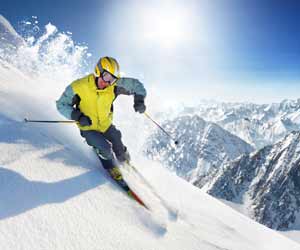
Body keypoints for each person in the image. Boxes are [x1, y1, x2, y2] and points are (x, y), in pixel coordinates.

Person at [56, 56, 147, 178]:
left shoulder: (113, 86)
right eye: (107, 77)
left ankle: (125, 162)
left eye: (113, 79)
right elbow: (61, 104)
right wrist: (77, 115)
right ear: (98, 71)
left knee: (117, 140)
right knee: (105, 148)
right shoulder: (78, 87)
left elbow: (136, 85)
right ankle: (111, 167)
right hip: (88, 127)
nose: (108, 82)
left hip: (105, 124)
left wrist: (139, 100)